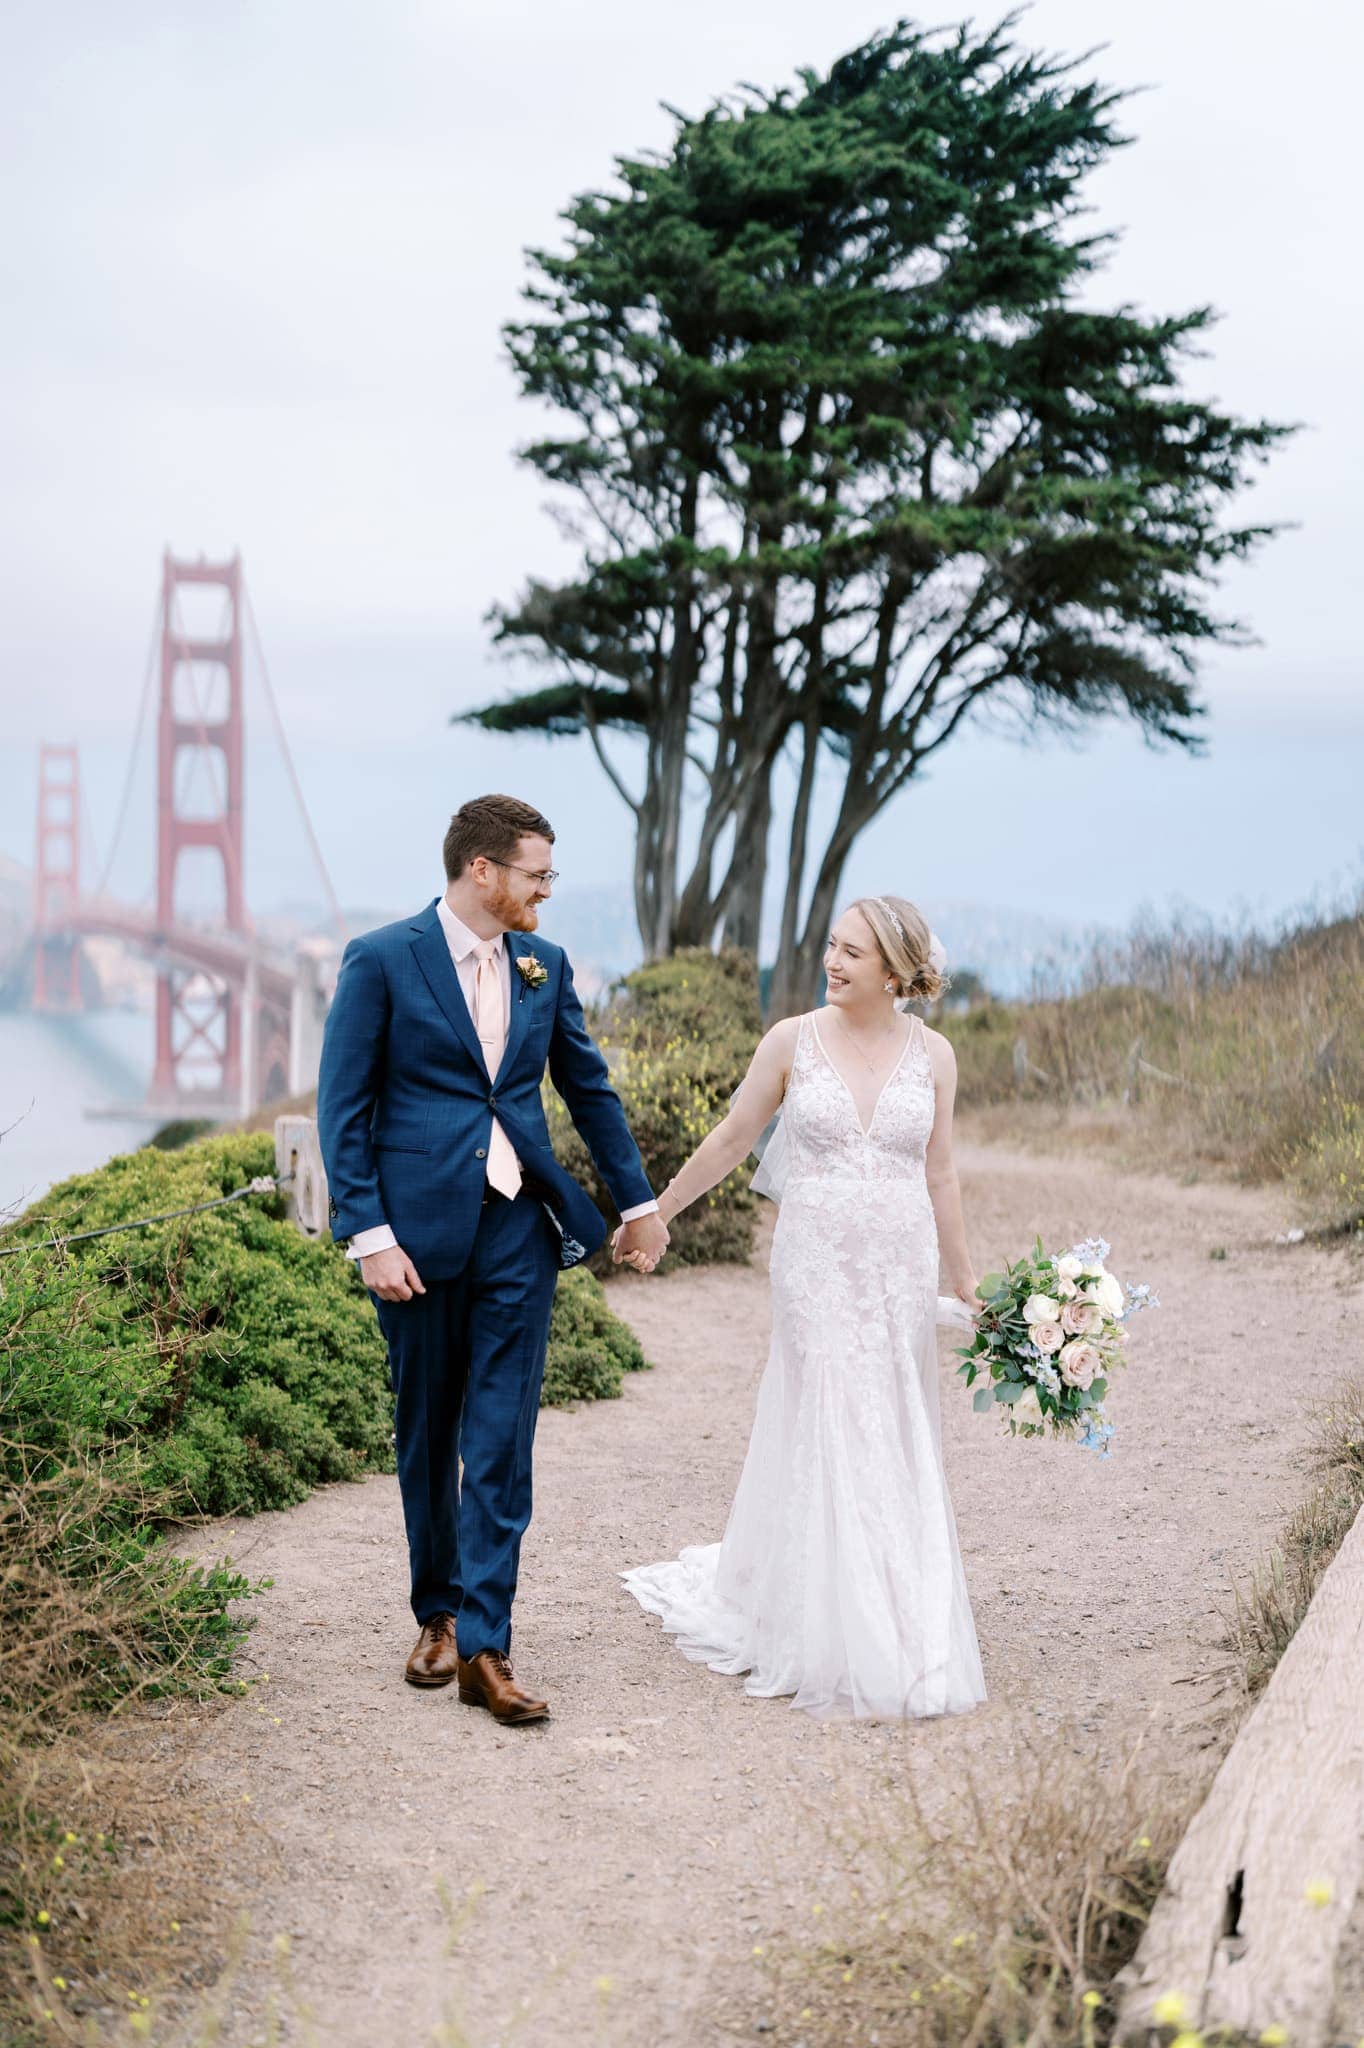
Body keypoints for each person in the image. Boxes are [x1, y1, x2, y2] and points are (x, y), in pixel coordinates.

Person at [318, 794, 669, 1724]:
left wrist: (638, 1203)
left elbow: (586, 1087)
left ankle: (484, 1645)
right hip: (414, 1239)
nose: (546, 892)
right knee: (428, 1432)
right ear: (483, 870)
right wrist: (370, 1235)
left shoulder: (543, 966)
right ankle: (434, 1612)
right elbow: (342, 1109)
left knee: (502, 1442)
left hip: (519, 1230)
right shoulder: (382, 960)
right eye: (536, 875)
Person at [618, 895, 987, 1720]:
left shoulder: (937, 1056)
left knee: (889, 1417)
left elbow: (942, 1173)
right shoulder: (791, 1041)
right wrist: (659, 1213)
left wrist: (962, 1281)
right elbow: (729, 1138)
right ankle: (823, 1620)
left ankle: (900, 1610)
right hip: (815, 1262)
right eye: (831, 945)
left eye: (852, 952)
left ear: (894, 970)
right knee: (827, 1406)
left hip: (898, 1263)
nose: (833, 960)